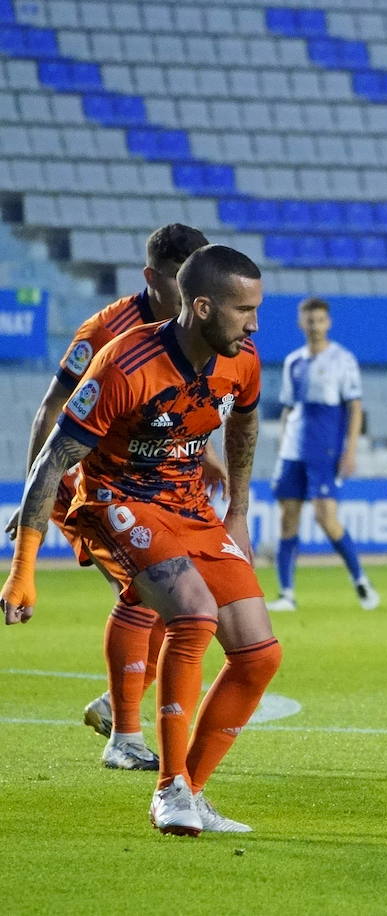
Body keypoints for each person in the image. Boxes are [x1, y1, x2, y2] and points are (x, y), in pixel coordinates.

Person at [2, 245, 282, 836]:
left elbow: (246, 421)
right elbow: (54, 460)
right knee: (194, 612)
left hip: (190, 507)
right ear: (201, 307)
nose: (254, 323)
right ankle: (168, 789)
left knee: (260, 655)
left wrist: (238, 514)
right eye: (243, 310)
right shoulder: (125, 364)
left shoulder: (244, 359)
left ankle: (192, 791)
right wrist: (22, 566)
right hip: (119, 500)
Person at [5, 223, 228, 770]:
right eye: (183, 284)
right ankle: (122, 729)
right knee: (152, 591)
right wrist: (39, 483)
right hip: (90, 483)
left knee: (157, 599)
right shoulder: (107, 331)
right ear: (153, 278)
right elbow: (53, 408)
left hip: (148, 483)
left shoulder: (193, 327)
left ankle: (117, 712)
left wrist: (203, 453)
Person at [265, 297, 379, 612]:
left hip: (324, 448)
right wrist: (283, 443)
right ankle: (286, 594)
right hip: (293, 450)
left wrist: (350, 450)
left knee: (325, 518)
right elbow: (289, 407)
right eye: (309, 320)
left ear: (328, 323)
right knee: (288, 518)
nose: (314, 326)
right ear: (301, 323)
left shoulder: (343, 360)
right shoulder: (293, 362)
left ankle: (360, 579)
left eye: (319, 320)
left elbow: (354, 407)